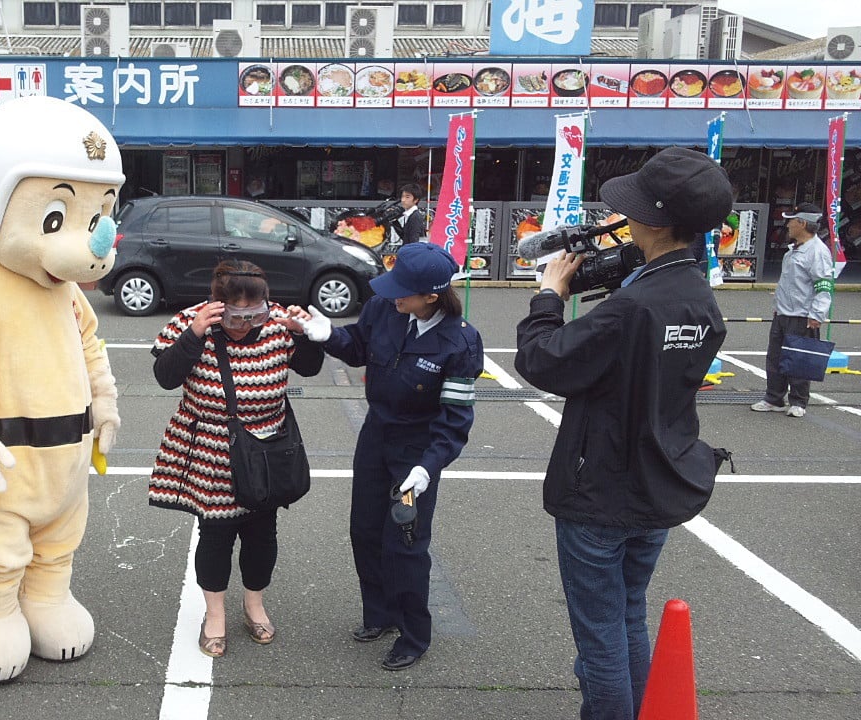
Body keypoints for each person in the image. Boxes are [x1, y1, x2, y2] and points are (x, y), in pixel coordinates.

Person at [514, 147, 732, 720]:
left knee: (600, 639)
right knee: (628, 612)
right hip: (660, 478)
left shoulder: (633, 308)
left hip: (601, 492)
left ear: (656, 222)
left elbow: (543, 360)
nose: (626, 220)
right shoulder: (697, 295)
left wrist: (549, 296)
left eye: (635, 211)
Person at [291, 242, 483, 671]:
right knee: (364, 530)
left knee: (405, 545)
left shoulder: (461, 342)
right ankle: (379, 614)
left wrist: (428, 467)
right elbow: (357, 346)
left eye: (404, 292)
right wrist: (327, 336)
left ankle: (414, 634)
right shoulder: (384, 309)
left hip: (417, 451)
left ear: (431, 295)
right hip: (376, 437)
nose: (393, 296)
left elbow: (455, 419)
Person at [148, 261, 324, 658]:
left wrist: (306, 335)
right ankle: (214, 614)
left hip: (267, 447)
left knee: (263, 533)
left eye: (253, 314)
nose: (244, 323)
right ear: (216, 303)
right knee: (215, 534)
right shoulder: (191, 323)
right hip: (211, 447)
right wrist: (195, 333)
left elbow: (310, 367)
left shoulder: (278, 323)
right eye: (234, 314)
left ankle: (254, 603)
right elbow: (165, 375)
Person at [751, 203, 834, 418]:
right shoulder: (793, 249)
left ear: (802, 223)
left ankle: (798, 401)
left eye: (791, 220)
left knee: (799, 358)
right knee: (775, 357)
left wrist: (817, 315)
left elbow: (823, 285)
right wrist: (777, 307)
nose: (787, 224)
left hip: (802, 315)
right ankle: (774, 398)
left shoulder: (817, 252)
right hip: (783, 313)